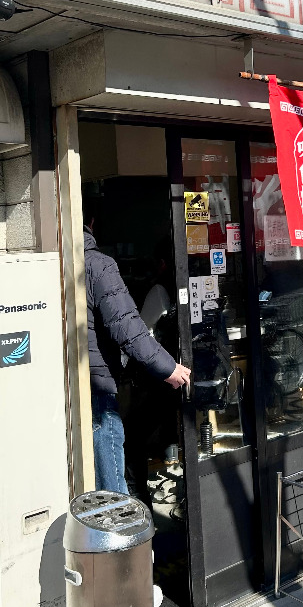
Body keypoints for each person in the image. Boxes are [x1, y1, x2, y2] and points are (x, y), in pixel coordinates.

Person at [83, 208, 191, 496]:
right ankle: (132, 532)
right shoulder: (98, 265)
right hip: (102, 384)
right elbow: (129, 328)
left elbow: (135, 325)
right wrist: (169, 369)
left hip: (72, 387)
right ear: (91, 222)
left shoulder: (54, 264)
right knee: (114, 484)